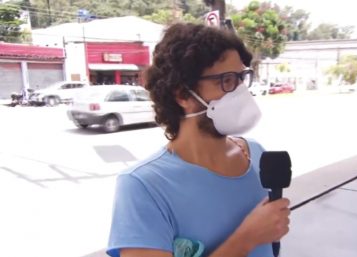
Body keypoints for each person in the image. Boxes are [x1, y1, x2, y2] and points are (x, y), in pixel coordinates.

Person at [106, 23, 291, 257]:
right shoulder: (143, 186)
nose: (240, 92)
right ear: (182, 95)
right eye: (226, 80)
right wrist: (246, 239)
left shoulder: (255, 153)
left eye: (241, 78)